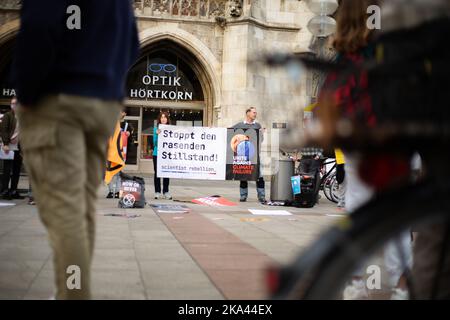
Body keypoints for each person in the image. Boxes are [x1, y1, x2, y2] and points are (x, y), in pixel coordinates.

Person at [13, 0, 139, 299]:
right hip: (101, 104)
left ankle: (73, 295)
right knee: (80, 208)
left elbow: (39, 28)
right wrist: (108, 85)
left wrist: (27, 92)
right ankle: (69, 291)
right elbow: (132, 43)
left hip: (59, 100)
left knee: (65, 210)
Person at [317, 0, 412, 300]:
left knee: (357, 208)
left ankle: (357, 283)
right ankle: (401, 287)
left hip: (357, 140)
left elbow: (329, 103)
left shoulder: (345, 58)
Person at [232, 107, 266, 203]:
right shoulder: (240, 125)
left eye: (256, 112)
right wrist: (213, 129)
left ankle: (261, 196)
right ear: (248, 113)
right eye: (254, 112)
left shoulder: (257, 125)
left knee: (259, 176)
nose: (255, 114)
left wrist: (261, 133)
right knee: (243, 176)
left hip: (255, 155)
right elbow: (228, 131)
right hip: (243, 155)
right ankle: (243, 196)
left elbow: (261, 140)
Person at [0, 97, 24, 200]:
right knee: (7, 169)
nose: (14, 105)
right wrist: (5, 143)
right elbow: (4, 130)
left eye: (16, 103)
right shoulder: (8, 115)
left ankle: (14, 190)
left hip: (18, 147)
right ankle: (5, 190)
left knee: (16, 170)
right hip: (9, 146)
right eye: (12, 103)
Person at [106, 109, 133, 199]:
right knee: (109, 171)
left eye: (121, 111)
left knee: (118, 172)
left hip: (121, 153)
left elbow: (131, 140)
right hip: (109, 152)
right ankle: (110, 191)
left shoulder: (127, 125)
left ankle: (117, 191)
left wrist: (129, 134)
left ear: (124, 114)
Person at [153, 112, 171, 200]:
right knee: (157, 173)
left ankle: (166, 191)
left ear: (167, 119)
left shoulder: (171, 129)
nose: (163, 119)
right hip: (157, 154)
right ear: (159, 119)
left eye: (165, 117)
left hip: (166, 155)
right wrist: (157, 134)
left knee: (166, 172)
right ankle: (157, 192)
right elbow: (155, 143)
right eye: (162, 117)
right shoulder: (156, 128)